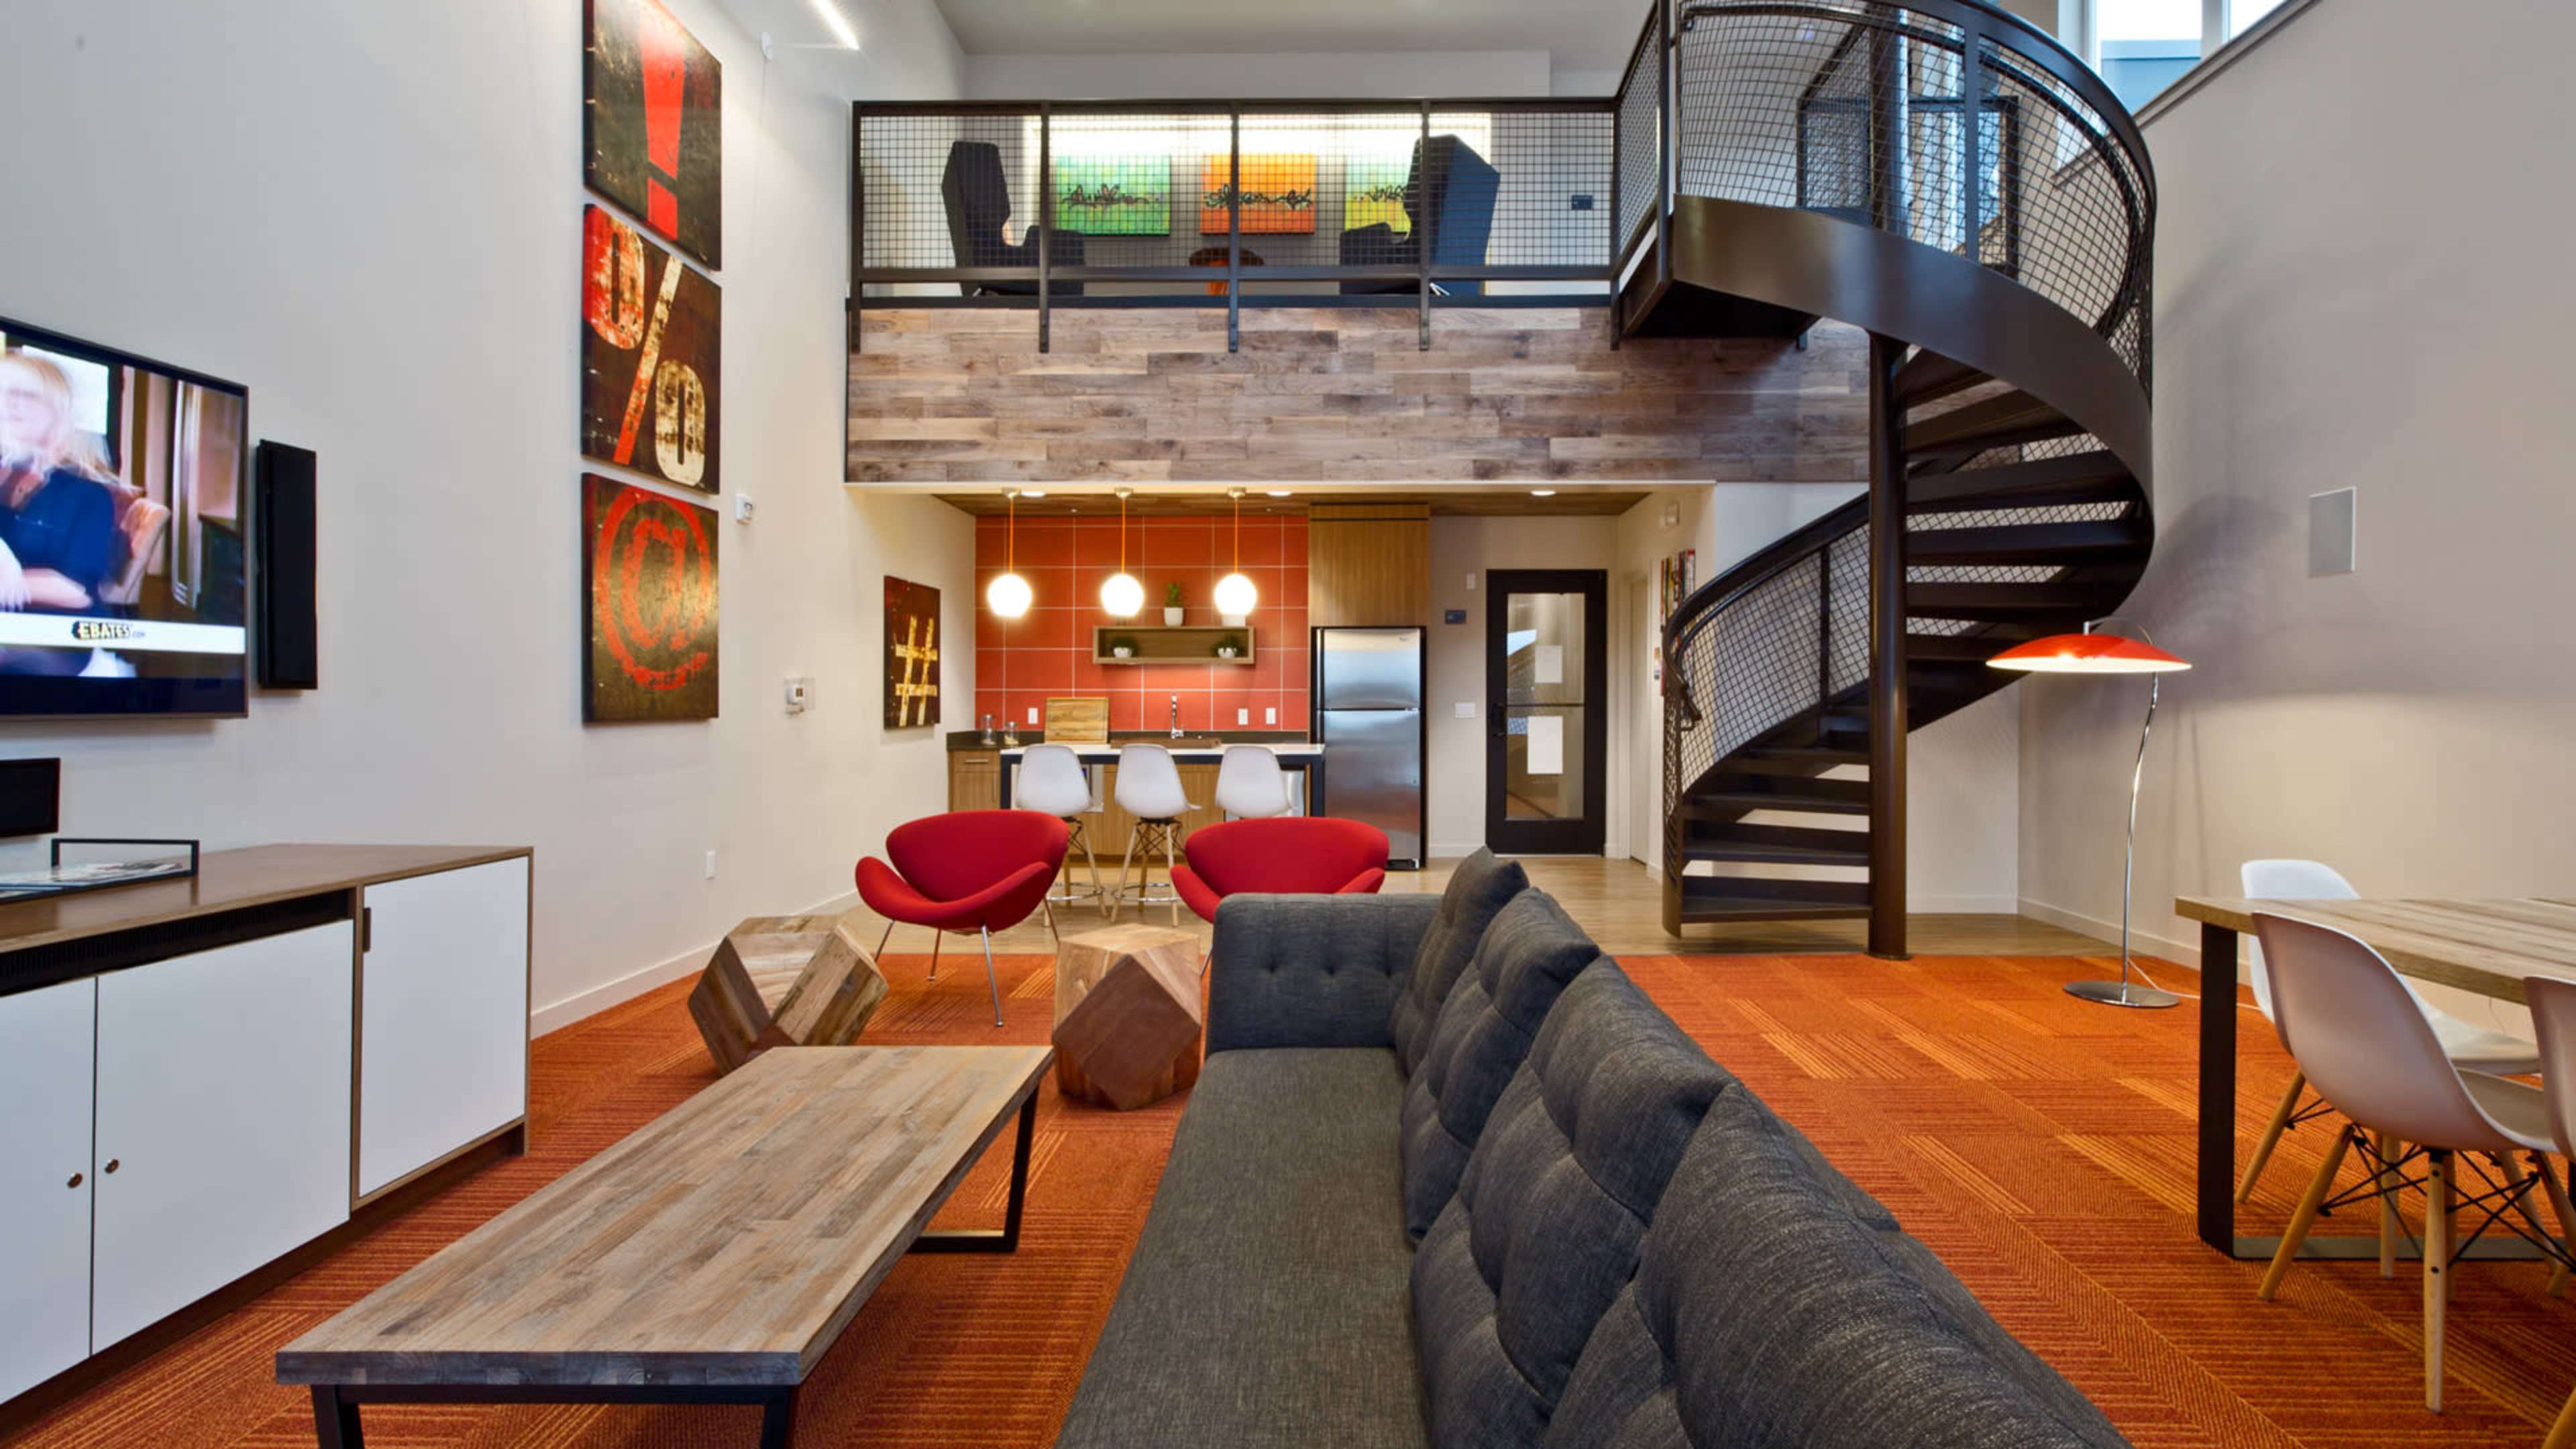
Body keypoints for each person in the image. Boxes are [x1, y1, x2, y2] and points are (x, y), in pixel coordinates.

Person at [0, 351, 127, 615]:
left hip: (52, 638)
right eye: (5, 393)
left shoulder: (86, 495)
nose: (10, 404)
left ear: (57, 411)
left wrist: (18, 581)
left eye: (27, 395)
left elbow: (76, 591)